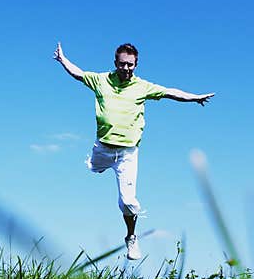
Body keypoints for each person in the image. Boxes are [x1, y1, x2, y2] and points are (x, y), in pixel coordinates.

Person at [53, 41, 214, 260]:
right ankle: (97, 166)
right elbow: (78, 74)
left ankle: (130, 237)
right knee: (93, 167)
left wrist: (194, 98)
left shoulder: (142, 86)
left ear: (136, 64)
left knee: (127, 201)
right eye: (122, 64)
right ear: (115, 63)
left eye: (130, 65)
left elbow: (169, 92)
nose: (126, 68)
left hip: (127, 154)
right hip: (102, 148)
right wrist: (63, 60)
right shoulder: (101, 80)